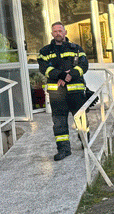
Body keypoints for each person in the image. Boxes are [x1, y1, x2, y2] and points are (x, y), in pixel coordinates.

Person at [38, 22, 89, 161]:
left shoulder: (76, 49)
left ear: (65, 32)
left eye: (60, 31)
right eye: (55, 31)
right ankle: (63, 150)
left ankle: (86, 144)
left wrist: (69, 75)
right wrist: (60, 75)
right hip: (57, 94)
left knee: (81, 120)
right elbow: (44, 68)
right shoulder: (45, 52)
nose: (58, 33)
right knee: (59, 122)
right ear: (52, 33)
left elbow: (84, 65)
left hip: (76, 92)